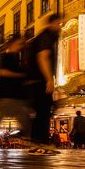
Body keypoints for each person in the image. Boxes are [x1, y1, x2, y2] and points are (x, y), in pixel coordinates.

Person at [27, 13, 62, 155]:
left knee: (40, 112)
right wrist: (49, 78)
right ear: (53, 23)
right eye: (59, 24)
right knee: (44, 111)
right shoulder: (47, 37)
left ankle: (35, 144)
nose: (60, 27)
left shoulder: (42, 36)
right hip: (40, 80)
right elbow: (43, 57)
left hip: (33, 80)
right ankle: (43, 144)